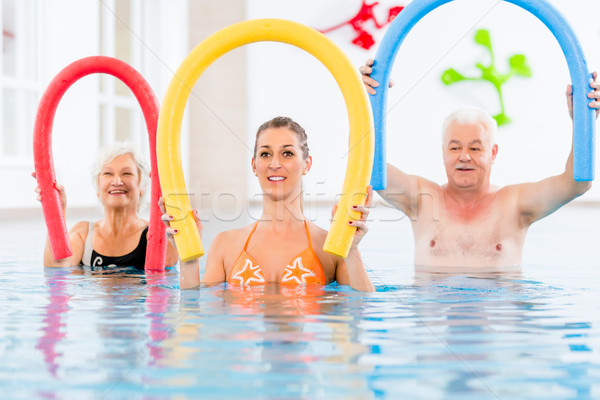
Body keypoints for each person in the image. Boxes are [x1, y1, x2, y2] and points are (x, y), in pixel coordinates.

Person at [360, 59, 599, 268]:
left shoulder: (515, 203)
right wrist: (369, 101)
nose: (464, 156)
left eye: (475, 148)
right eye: (455, 148)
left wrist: (582, 120)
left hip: (497, 313)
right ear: (443, 152)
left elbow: (577, 183)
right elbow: (368, 165)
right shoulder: (422, 198)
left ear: (493, 153)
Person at [161, 116, 375, 291]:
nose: (274, 164)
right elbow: (193, 312)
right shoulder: (225, 244)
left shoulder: (330, 247)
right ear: (254, 165)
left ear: (306, 164)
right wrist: (187, 260)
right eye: (265, 154)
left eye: (287, 153)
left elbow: (359, 311)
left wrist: (352, 250)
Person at [34, 142, 179, 268]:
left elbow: (169, 269)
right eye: (108, 173)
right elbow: (57, 268)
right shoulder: (83, 234)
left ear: (143, 186)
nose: (117, 181)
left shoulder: (155, 235)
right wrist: (56, 211)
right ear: (97, 186)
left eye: (127, 173)